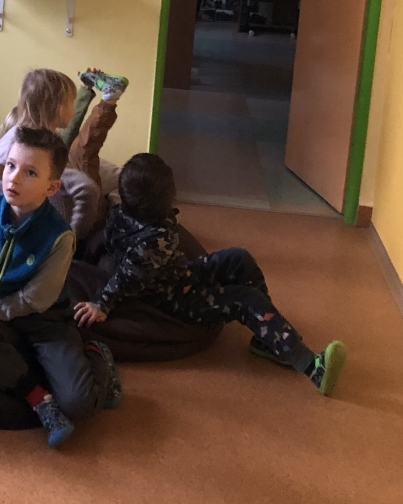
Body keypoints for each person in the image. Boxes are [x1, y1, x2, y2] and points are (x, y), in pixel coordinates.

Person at [100, 153, 347, 394]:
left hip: (177, 276)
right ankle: (311, 367)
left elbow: (115, 251)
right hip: (175, 300)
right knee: (246, 299)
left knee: (238, 257)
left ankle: (267, 340)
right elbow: (126, 277)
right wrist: (101, 303)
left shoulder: (119, 213)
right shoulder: (155, 240)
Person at [0, 126, 122, 448]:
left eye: (30, 173)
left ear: (51, 188)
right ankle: (38, 399)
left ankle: (97, 355)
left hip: (45, 321)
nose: (13, 178)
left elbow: (35, 299)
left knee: (80, 404)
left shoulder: (60, 236)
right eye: (11, 166)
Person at [0, 67, 129, 246]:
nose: (73, 108)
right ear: (58, 108)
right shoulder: (17, 138)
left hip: (14, 210)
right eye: (71, 103)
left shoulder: (49, 139)